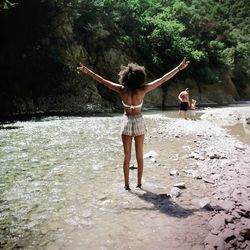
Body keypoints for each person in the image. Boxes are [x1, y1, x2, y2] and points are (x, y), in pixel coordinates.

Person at [77, 57, 190, 190]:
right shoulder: (143, 90)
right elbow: (163, 79)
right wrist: (178, 68)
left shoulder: (121, 89)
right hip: (139, 121)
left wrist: (87, 71)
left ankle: (126, 186)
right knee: (139, 156)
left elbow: (101, 80)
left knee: (127, 156)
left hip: (126, 122)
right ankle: (139, 184)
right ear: (139, 77)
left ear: (124, 78)